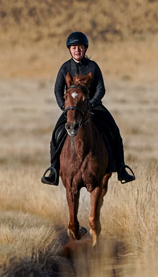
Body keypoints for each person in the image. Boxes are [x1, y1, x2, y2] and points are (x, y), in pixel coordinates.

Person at [41, 31, 135, 186]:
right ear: (69, 50)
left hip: (93, 106)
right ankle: (54, 170)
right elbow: (58, 90)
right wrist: (64, 107)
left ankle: (121, 168)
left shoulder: (93, 67)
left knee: (114, 131)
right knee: (56, 134)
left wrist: (91, 103)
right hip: (72, 109)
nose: (77, 50)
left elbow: (100, 89)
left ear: (85, 49)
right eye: (74, 48)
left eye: (80, 47)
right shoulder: (65, 68)